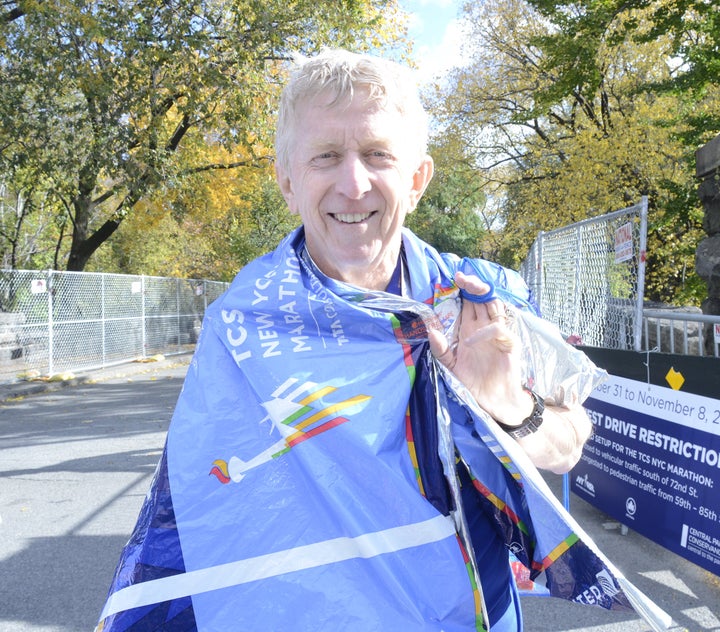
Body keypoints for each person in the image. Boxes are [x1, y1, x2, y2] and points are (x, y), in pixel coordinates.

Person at [97, 49, 663, 632]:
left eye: (377, 155)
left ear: (417, 179)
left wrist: (511, 409)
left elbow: (569, 445)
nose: (353, 183)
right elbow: (195, 513)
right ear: (287, 180)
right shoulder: (242, 322)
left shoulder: (483, 301)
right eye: (325, 157)